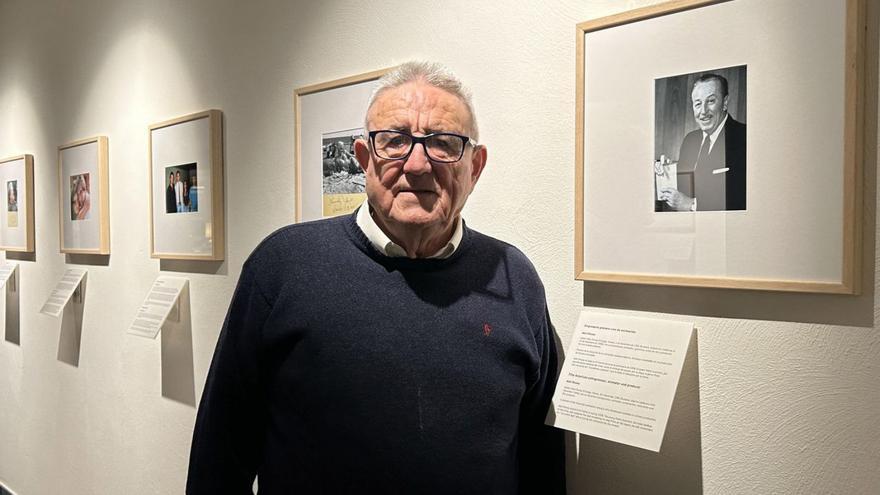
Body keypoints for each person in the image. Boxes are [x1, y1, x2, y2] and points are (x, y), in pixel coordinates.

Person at [187, 61, 565, 494]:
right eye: (394, 141)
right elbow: (221, 450)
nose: (418, 164)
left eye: (443, 143)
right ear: (364, 159)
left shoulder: (514, 277)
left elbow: (541, 451)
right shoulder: (283, 266)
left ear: (474, 167)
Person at [658, 73, 746, 211]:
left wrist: (691, 205)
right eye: (698, 104)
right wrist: (664, 175)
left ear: (725, 102)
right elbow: (681, 189)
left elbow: (743, 199)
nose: (703, 111)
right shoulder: (690, 140)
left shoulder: (745, 137)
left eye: (711, 101)